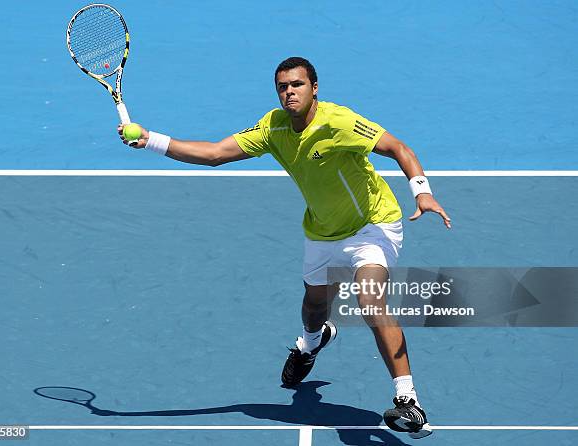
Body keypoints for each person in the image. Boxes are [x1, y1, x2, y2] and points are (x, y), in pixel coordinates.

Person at [117, 56, 451, 439]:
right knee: (314, 306)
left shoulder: (338, 122)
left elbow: (398, 148)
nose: (289, 92)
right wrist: (149, 140)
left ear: (314, 88)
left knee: (369, 299)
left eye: (297, 84)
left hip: (371, 227)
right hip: (322, 232)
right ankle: (312, 342)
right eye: (282, 87)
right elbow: (213, 154)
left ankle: (408, 400)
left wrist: (422, 193)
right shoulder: (273, 127)